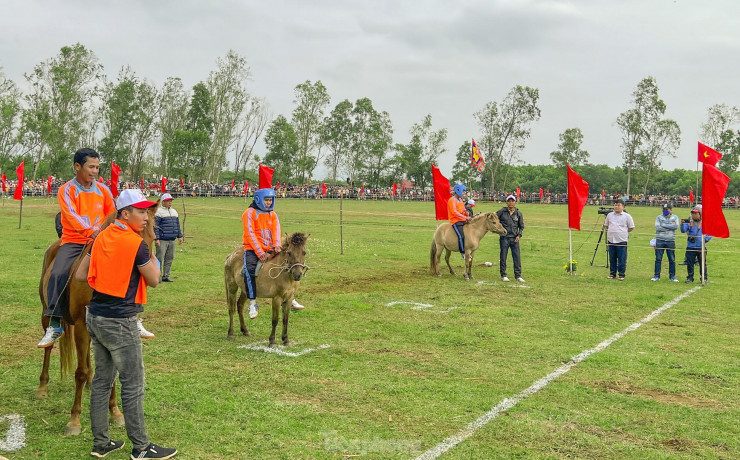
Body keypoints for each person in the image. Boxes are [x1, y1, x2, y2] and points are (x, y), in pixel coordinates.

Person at [77, 189, 177, 459]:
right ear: (125, 213)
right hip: (121, 321)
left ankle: (101, 443)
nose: (146, 217)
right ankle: (142, 448)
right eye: (141, 211)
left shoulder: (100, 237)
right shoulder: (136, 244)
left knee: (101, 382)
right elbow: (155, 278)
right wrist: (152, 249)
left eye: (147, 211)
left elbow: (80, 274)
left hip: (95, 316)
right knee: (132, 385)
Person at [38, 148, 116, 348]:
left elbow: (111, 213)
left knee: (127, 266)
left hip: (100, 240)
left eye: (97, 167)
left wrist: (102, 231)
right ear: (77, 166)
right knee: (58, 272)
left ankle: (131, 314)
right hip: (74, 241)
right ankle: (55, 322)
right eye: (91, 167)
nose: (95, 171)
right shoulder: (67, 190)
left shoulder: (103, 190)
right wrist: (91, 231)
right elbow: (71, 216)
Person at [242, 188, 304, 319]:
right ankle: (252, 302)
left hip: (271, 248)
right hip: (253, 249)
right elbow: (250, 234)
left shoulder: (273, 214)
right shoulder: (249, 213)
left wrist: (277, 246)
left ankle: (289, 297)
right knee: (250, 269)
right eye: (266, 200)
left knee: (288, 264)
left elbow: (276, 231)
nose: (269, 202)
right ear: (259, 199)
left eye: (271, 200)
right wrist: (259, 253)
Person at [154, 193, 184, 283]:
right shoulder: (158, 212)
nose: (170, 202)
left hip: (172, 239)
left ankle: (166, 276)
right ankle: (157, 277)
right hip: (162, 239)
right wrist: (157, 239)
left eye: (171, 201)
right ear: (163, 202)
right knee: (159, 258)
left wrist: (180, 236)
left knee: (169, 258)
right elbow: (155, 227)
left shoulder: (174, 212)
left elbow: (177, 225)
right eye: (168, 201)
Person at [496, 195, 525, 282]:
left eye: (512, 201)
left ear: (515, 202)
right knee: (503, 256)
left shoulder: (518, 213)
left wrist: (519, 235)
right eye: (509, 201)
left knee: (516, 257)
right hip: (504, 238)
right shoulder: (502, 211)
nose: (511, 203)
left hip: (514, 238)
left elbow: (522, 227)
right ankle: (503, 274)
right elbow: (494, 218)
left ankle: (518, 275)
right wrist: (499, 228)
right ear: (506, 202)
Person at [603, 201, 635, 281]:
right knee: (612, 258)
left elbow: (631, 227)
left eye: (619, 205)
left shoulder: (627, 216)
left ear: (623, 207)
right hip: (611, 239)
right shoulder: (609, 215)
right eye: (615, 205)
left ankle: (621, 274)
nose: (617, 207)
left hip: (621, 240)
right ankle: (612, 273)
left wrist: (623, 232)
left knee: (622, 258)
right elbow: (606, 225)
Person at [681, 205, 711, 283]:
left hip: (701, 247)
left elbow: (711, 232)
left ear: (700, 214)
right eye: (693, 213)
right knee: (690, 264)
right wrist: (682, 224)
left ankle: (704, 278)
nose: (694, 214)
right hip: (690, 246)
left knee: (702, 264)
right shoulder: (689, 222)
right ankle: (690, 278)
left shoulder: (705, 222)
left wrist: (706, 239)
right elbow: (683, 230)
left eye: (696, 213)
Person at [651, 203, 680, 282]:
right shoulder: (659, 217)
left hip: (670, 240)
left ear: (671, 210)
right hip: (660, 240)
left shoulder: (675, 217)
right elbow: (658, 228)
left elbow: (676, 226)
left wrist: (663, 225)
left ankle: (672, 276)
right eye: (663, 209)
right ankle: (656, 275)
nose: (665, 211)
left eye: (666, 210)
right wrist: (670, 226)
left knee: (672, 259)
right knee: (658, 259)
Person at [447, 184, 469, 261]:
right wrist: (465, 217)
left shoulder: (461, 200)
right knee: (461, 236)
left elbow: (463, 210)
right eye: (463, 191)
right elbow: (454, 212)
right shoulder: (452, 200)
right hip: (455, 221)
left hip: (463, 220)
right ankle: (463, 253)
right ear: (458, 191)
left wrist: (467, 214)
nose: (464, 193)